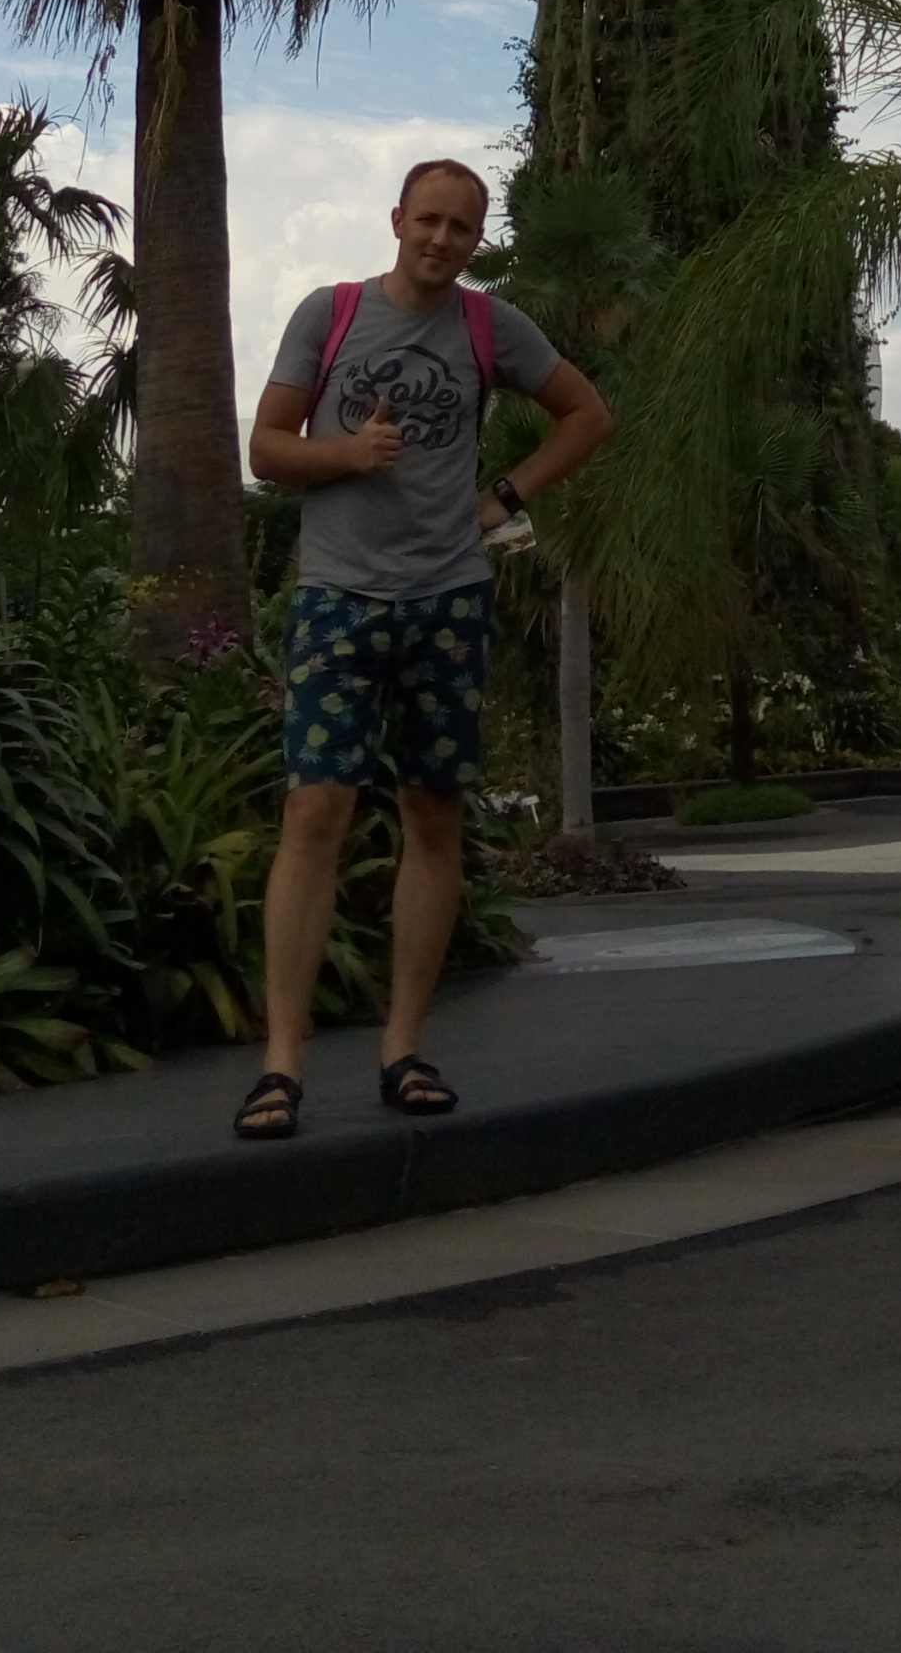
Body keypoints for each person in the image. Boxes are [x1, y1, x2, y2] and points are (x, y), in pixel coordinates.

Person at [238, 154, 612, 1136]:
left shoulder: (491, 327)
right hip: (337, 597)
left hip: (448, 597)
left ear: (475, 240)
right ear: (398, 218)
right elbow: (267, 447)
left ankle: (404, 1045)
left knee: (433, 813)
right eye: (429, 220)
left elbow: (587, 413)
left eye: (461, 227)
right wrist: (348, 454)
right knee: (315, 808)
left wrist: (506, 499)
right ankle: (282, 1062)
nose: (442, 239)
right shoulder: (332, 312)